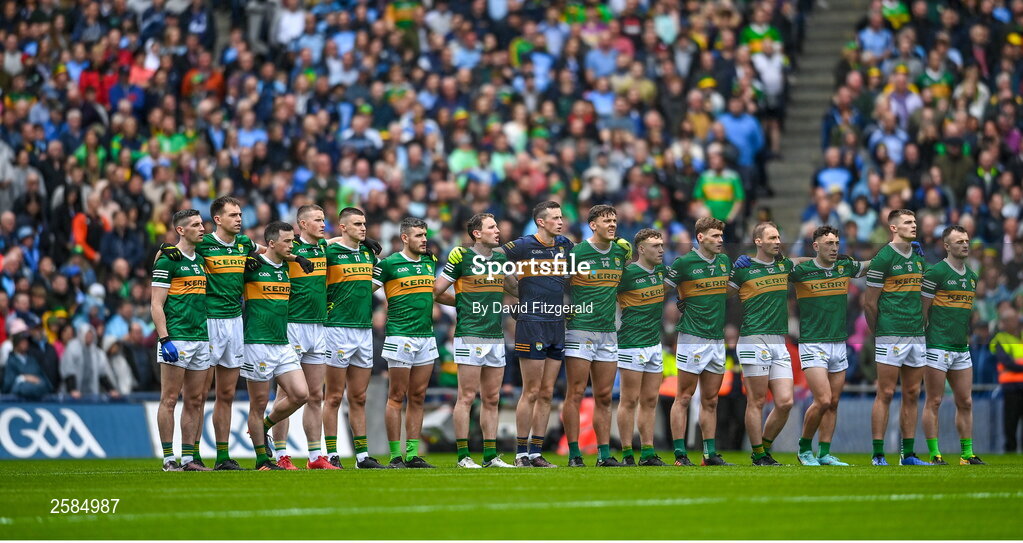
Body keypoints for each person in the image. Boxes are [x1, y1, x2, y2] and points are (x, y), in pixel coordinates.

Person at [435, 213, 519, 468]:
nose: (498, 230)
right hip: (470, 334)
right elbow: (436, 291)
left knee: (492, 398)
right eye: (492, 227)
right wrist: (461, 302)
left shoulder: (501, 258)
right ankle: (463, 457)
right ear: (477, 233)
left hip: (495, 335)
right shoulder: (461, 257)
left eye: (497, 226)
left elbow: (515, 289)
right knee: (467, 396)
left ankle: (491, 456)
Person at [502, 201, 574, 468]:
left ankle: (536, 452)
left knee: (547, 392)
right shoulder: (522, 245)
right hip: (532, 323)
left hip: (556, 323)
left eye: (561, 216)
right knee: (530, 391)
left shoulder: (565, 245)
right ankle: (521, 453)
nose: (560, 221)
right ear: (540, 222)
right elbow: (495, 258)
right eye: (555, 217)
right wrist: (517, 292)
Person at [789, 226, 865, 466]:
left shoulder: (844, 268)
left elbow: (869, 265)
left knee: (833, 402)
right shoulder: (803, 270)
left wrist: (897, 248)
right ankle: (803, 449)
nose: (834, 248)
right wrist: (807, 259)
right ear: (816, 246)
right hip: (812, 343)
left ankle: (824, 453)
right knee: (822, 399)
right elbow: (783, 264)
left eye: (836, 243)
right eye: (828, 243)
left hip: (838, 343)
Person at [563, 204, 631, 467]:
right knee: (576, 393)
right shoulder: (576, 252)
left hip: (608, 332)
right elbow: (556, 283)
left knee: (604, 396)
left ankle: (603, 454)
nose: (612, 224)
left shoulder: (619, 253)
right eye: (606, 221)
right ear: (593, 225)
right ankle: (574, 454)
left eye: (614, 220)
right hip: (580, 330)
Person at [663, 217, 734, 466]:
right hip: (692, 337)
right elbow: (664, 288)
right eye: (715, 236)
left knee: (711, 399)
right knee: (683, 396)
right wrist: (679, 299)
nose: (720, 240)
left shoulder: (725, 261)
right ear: (700, 237)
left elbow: (730, 289)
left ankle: (709, 454)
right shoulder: (684, 263)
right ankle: (681, 455)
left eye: (721, 236)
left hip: (717, 339)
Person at [730, 222, 801, 466]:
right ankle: (759, 454)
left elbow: (802, 262)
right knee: (757, 401)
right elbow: (722, 295)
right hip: (753, 339)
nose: (777, 241)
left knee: (785, 402)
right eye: (771, 237)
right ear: (758, 241)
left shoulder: (784, 266)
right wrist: (731, 269)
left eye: (779, 237)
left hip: (778, 341)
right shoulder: (744, 269)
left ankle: (763, 447)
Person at [864, 209, 931, 466]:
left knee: (913, 393)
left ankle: (909, 454)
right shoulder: (883, 258)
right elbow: (870, 303)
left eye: (915, 221)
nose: (914, 225)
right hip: (891, 333)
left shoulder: (918, 256)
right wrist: (878, 331)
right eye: (908, 222)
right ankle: (878, 453)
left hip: (916, 333)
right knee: (887, 392)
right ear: (893, 228)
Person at [243, 221, 310, 471]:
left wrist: (297, 257)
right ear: (271, 243)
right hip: (257, 343)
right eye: (288, 241)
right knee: (257, 403)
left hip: (282, 343)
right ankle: (263, 460)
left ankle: (264, 426)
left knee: (301, 394)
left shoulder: (286, 267)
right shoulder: (253, 266)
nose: (292, 246)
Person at [322, 207, 385, 469]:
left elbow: (376, 279)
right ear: (343, 227)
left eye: (364, 223)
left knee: (359, 397)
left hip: (363, 329)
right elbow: (312, 247)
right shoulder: (331, 251)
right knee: (334, 397)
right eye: (357, 224)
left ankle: (361, 457)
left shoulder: (369, 254)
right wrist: (336, 240)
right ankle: (332, 454)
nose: (363, 228)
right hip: (336, 328)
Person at [194, 196, 254, 471]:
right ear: (217, 219)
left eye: (240, 214)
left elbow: (273, 249)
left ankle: (222, 456)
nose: (239, 219)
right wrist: (163, 250)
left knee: (226, 394)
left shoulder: (244, 244)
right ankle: (191, 454)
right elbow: (171, 253)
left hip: (235, 322)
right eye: (233, 215)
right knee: (197, 394)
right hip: (209, 322)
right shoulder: (204, 243)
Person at [270, 204, 332, 470]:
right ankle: (280, 454)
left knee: (316, 395)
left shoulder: (325, 247)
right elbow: (262, 249)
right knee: (285, 392)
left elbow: (341, 239)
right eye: (317, 220)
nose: (323, 224)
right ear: (302, 225)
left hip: (318, 327)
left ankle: (315, 456)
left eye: (324, 219)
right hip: (292, 325)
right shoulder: (289, 248)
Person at [373, 217, 438, 468]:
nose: (424, 239)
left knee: (419, 395)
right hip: (400, 335)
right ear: (405, 238)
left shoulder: (429, 262)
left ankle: (412, 455)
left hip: (426, 336)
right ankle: (394, 456)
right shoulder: (389, 264)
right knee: (397, 395)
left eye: (425, 235)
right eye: (419, 235)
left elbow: (436, 293)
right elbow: (368, 290)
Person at [151, 209, 211, 472]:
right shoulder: (168, 260)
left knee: (196, 400)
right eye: (196, 225)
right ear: (180, 230)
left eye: (202, 223)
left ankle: (188, 459)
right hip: (177, 337)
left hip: (200, 336)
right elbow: (156, 303)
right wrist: (165, 339)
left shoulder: (200, 259)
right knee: (169, 399)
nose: (202, 228)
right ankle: (168, 459)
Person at [921, 225, 985, 465]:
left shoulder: (971, 277)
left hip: (961, 347)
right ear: (946, 246)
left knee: (965, 401)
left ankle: (966, 454)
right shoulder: (936, 273)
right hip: (937, 345)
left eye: (967, 240)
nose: (965, 244)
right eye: (959, 241)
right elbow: (923, 311)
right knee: (934, 400)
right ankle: (935, 454)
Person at [615, 228, 667, 466]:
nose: (661, 250)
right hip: (631, 343)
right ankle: (627, 453)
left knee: (650, 400)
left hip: (654, 344)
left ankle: (647, 452)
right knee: (629, 400)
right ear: (641, 249)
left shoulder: (661, 272)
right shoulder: (626, 274)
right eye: (655, 246)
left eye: (662, 245)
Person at [990, 306, 1023, 453]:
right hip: (1011, 386)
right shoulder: (999, 339)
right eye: (1008, 320)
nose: (1013, 322)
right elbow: (1006, 362)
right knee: (1010, 420)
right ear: (1002, 323)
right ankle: (1010, 449)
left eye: (1014, 319)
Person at [2, 319, 52, 400]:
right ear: (16, 343)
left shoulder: (32, 360)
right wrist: (24, 378)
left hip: (37, 403)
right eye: (22, 341)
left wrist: (30, 381)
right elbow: (8, 387)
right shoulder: (10, 361)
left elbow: (46, 384)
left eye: (26, 341)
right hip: (16, 404)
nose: (25, 343)